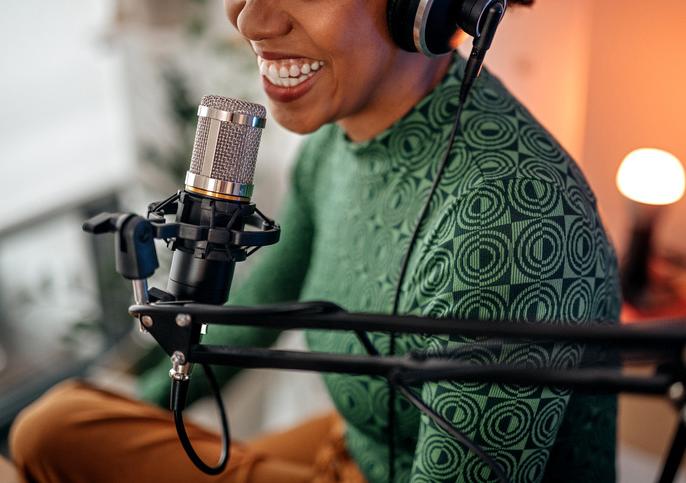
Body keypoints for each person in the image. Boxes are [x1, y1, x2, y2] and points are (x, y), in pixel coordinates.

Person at [8, 0, 621, 482]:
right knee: (66, 427)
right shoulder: (335, 143)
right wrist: (132, 410)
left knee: (51, 432)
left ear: (423, 7)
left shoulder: (508, 219)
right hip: (351, 447)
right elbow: (250, 318)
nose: (249, 19)